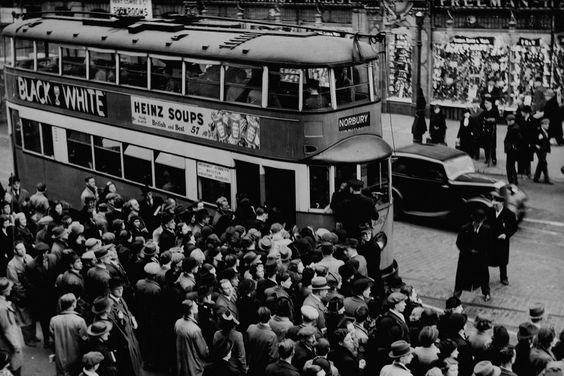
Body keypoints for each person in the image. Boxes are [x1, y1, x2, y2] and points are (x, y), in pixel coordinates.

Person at [453, 208, 492, 302]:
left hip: (480, 257)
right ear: (473, 220)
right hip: (466, 257)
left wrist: (482, 253)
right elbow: (459, 243)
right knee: (461, 275)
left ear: (483, 220)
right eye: (476, 221)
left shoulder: (487, 230)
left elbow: (490, 245)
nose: (477, 223)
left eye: (480, 221)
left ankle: (486, 293)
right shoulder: (465, 228)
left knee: (484, 275)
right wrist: (469, 250)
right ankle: (457, 294)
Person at [107, 277, 142, 376]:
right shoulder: (110, 304)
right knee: (128, 367)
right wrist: (122, 320)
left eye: (121, 288)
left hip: (130, 335)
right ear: (110, 289)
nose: (120, 291)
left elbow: (127, 310)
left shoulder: (120, 298)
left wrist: (132, 318)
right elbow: (114, 326)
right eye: (117, 289)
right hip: (123, 340)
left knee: (136, 362)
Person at [49, 293, 88, 376]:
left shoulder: (54, 320)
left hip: (60, 358)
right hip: (75, 358)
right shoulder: (80, 321)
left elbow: (51, 341)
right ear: (74, 304)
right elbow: (85, 340)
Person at [487, 192, 517, 285]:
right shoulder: (490, 211)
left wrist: (506, 235)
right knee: (487, 258)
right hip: (491, 240)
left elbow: (513, 228)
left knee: (502, 260)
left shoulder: (509, 214)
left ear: (501, 203)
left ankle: (504, 277)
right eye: (493, 203)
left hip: (502, 241)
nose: (494, 205)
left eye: (496, 203)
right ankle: (484, 277)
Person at [175, 299, 209, 376]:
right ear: (191, 311)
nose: (197, 306)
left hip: (182, 365)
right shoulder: (195, 329)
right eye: (195, 306)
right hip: (194, 367)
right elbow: (203, 352)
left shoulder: (178, 323)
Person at [246, 306, 279, 376]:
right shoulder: (272, 336)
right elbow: (273, 358)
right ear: (270, 317)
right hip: (263, 371)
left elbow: (247, 347)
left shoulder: (250, 328)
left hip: (251, 367)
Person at [0, 278, 23, 376]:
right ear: (4, 290)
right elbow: (7, 330)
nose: (11, 289)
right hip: (8, 349)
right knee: (14, 370)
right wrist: (16, 346)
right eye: (9, 287)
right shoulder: (2, 308)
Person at [517, 106, 536, 179]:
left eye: (522, 111)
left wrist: (531, 143)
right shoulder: (520, 119)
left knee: (527, 159)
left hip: (528, 143)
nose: (521, 113)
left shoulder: (533, 120)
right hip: (521, 142)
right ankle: (520, 172)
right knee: (520, 158)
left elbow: (534, 133)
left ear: (526, 112)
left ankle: (528, 172)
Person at [504, 114, 522, 185]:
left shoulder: (514, 129)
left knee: (509, 166)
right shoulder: (513, 127)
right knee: (512, 166)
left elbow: (519, 139)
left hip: (511, 150)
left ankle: (512, 181)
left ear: (512, 121)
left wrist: (512, 146)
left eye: (508, 121)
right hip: (512, 149)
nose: (507, 122)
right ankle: (514, 181)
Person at [479, 97, 498, 165]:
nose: (485, 105)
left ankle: (493, 159)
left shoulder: (494, 111)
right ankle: (487, 158)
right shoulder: (484, 112)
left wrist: (493, 120)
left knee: (492, 146)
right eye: (485, 103)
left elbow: (497, 119)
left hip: (491, 131)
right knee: (486, 146)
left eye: (487, 103)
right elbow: (480, 120)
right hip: (485, 132)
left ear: (490, 103)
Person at [533, 119, 552, 184]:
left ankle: (536, 178)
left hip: (544, 150)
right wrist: (536, 145)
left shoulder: (545, 131)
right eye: (546, 124)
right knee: (544, 163)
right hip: (540, 150)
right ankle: (546, 179)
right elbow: (534, 139)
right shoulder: (539, 131)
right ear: (542, 125)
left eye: (548, 124)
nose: (548, 126)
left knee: (541, 163)